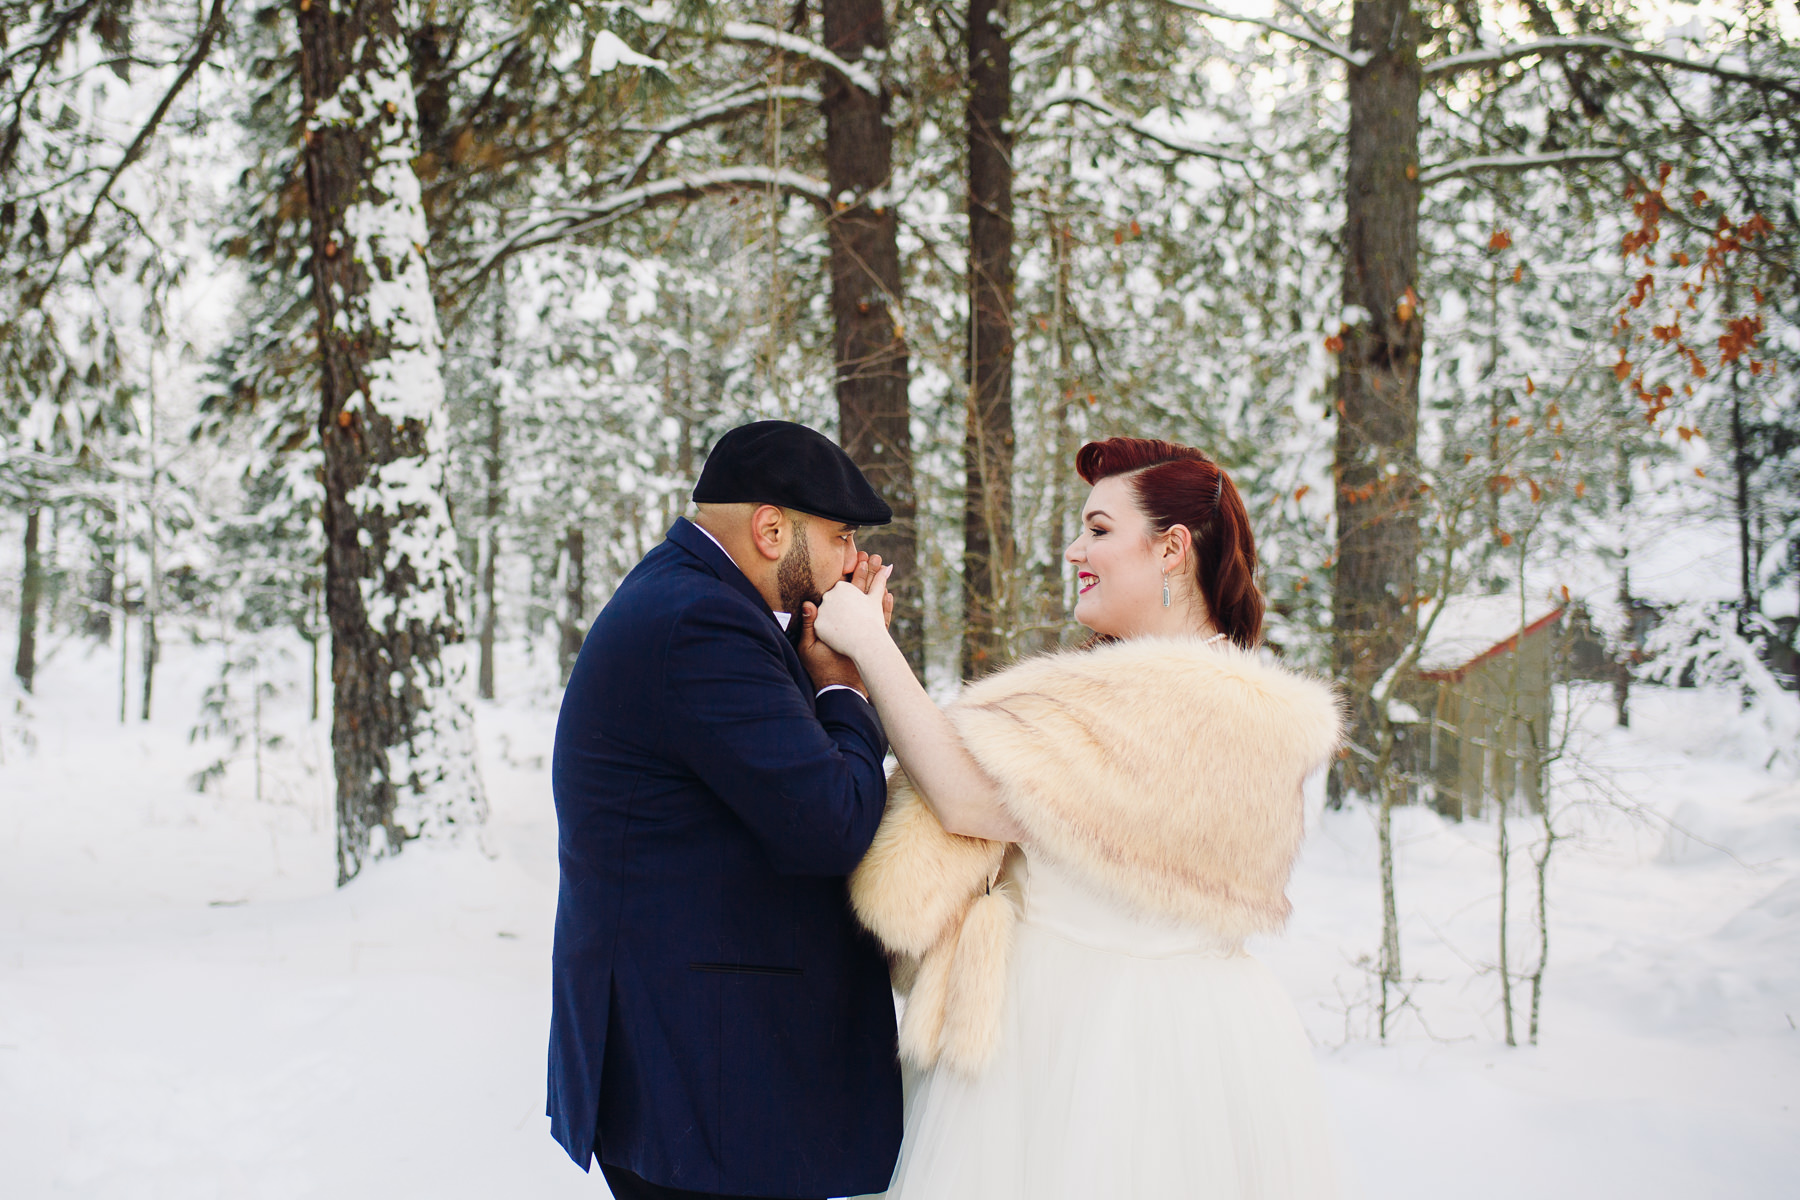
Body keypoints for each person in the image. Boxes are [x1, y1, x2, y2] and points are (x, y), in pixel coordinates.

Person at [811, 437, 1344, 1199]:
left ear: (1170, 549)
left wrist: (867, 642)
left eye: (1098, 530)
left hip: (1103, 1049)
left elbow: (968, 800)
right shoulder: (1166, 694)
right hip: (1148, 1034)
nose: (1073, 551)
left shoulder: (1189, 705)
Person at [547, 421, 905, 1200]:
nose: (853, 562)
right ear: (772, 528)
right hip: (703, 1083)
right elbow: (831, 824)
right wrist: (849, 683)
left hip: (699, 1072)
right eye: (841, 536)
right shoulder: (701, 624)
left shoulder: (702, 603)